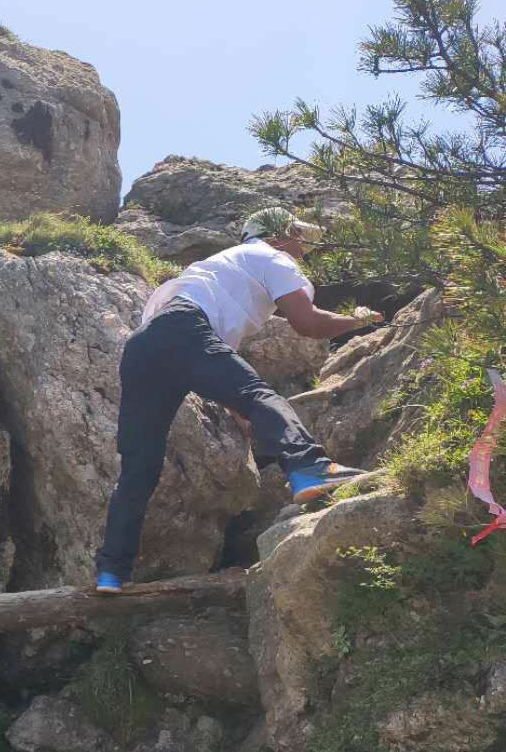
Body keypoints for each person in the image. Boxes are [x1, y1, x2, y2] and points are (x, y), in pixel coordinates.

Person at [95, 206, 386, 592]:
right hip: (184, 328)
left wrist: (238, 409)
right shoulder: (270, 256)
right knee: (261, 395)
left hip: (143, 346)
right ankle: (310, 468)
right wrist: (360, 320)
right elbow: (307, 322)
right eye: (298, 240)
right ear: (278, 236)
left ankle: (112, 571)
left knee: (138, 469)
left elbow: (200, 357)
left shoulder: (215, 269)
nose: (302, 249)